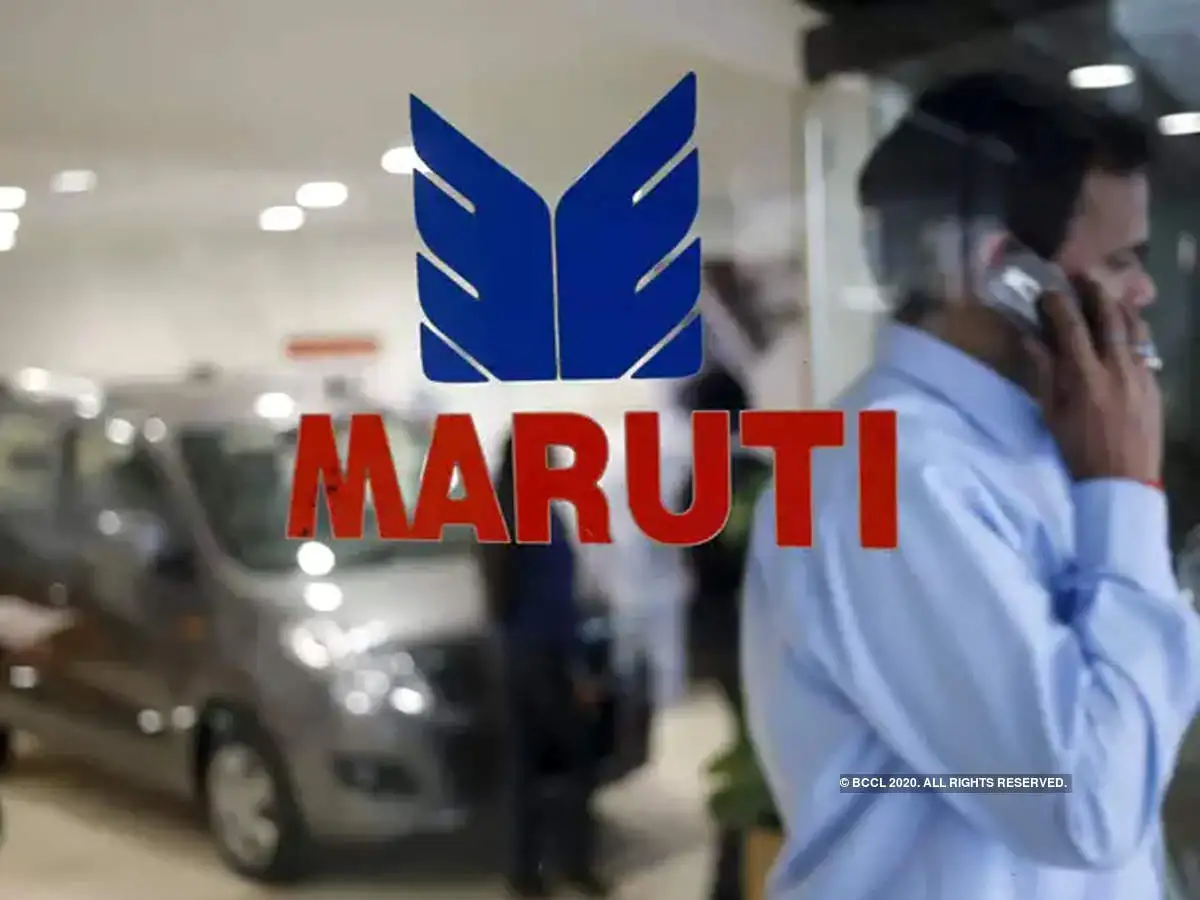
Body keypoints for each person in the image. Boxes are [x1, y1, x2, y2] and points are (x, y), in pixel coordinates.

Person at [740, 71, 1200, 899]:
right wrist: (1127, 493)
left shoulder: (1043, 443)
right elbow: (1085, 807)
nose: (1145, 290)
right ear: (1005, 275)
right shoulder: (884, 472)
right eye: (1121, 260)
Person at [478, 433, 609, 899]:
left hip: (512, 655)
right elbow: (557, 606)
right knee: (576, 763)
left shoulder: (497, 515)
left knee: (524, 769)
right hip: (547, 659)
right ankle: (575, 864)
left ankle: (524, 873)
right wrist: (579, 672)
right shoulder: (543, 519)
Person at [677, 366, 772, 900]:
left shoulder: (698, 479)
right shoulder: (758, 476)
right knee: (761, 766)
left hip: (715, 636)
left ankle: (732, 882)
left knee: (751, 759)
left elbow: (693, 560)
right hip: (753, 638)